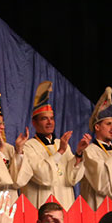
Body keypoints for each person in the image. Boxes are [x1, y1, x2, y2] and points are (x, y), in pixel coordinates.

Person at [20, 81, 85, 209]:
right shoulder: (28, 147)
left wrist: (78, 154)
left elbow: (72, 178)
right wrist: (60, 152)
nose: (49, 122)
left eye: (52, 118)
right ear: (34, 123)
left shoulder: (61, 143)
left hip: (65, 203)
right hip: (42, 205)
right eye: (44, 118)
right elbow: (43, 176)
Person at [80, 87, 112, 209]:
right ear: (97, 127)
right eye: (108, 124)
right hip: (99, 209)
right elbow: (101, 183)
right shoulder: (89, 151)